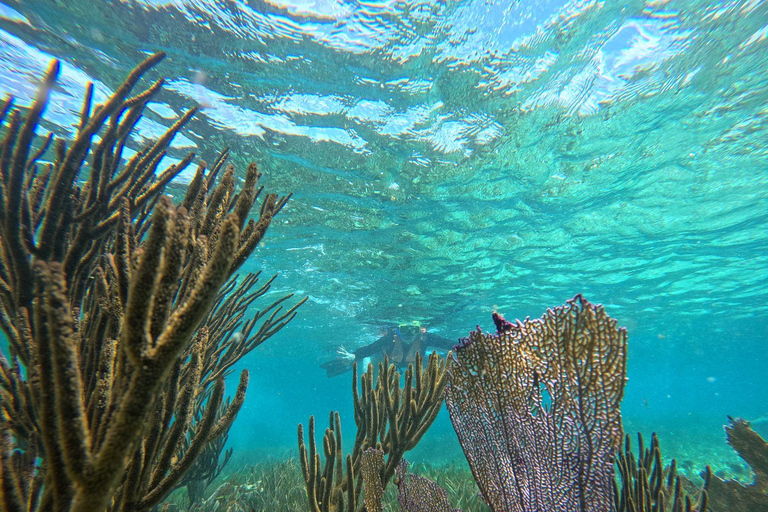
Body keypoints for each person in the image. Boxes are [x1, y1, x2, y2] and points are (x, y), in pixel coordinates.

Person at [320, 322, 456, 377]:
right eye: (404, 329)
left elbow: (448, 343)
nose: (409, 333)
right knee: (367, 375)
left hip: (417, 360)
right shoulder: (390, 338)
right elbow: (370, 348)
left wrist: (468, 346)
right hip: (385, 359)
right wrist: (354, 357)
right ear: (397, 330)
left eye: (413, 329)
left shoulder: (426, 337)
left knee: (437, 363)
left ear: (420, 330)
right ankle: (362, 362)